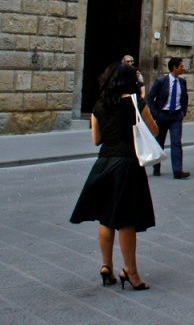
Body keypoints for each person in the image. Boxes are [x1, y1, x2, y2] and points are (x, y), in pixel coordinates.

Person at [70, 63, 157, 291]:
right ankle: (131, 271)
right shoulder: (136, 103)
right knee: (127, 220)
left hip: (104, 162)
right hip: (127, 163)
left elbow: (96, 139)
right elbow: (154, 131)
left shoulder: (98, 105)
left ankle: (106, 266)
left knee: (106, 217)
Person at [147, 57, 190, 179]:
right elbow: (150, 98)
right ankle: (156, 167)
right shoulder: (161, 81)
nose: (183, 68)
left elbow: (184, 98)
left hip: (176, 116)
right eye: (181, 66)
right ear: (174, 68)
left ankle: (178, 171)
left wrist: (183, 112)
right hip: (163, 115)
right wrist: (156, 114)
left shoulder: (182, 82)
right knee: (159, 142)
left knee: (176, 142)